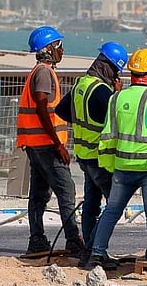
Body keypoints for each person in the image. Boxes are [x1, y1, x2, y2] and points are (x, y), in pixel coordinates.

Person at [84, 49, 147, 270]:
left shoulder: (116, 97)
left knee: (112, 210)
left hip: (122, 166)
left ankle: (97, 253)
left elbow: (108, 135)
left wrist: (109, 166)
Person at [56, 41, 129, 266]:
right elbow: (118, 118)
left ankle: (89, 250)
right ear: (108, 66)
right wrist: (116, 96)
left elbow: (61, 110)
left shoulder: (81, 84)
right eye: (116, 71)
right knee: (114, 206)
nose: (116, 76)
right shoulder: (101, 91)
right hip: (100, 158)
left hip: (83, 155)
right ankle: (94, 250)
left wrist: (82, 122)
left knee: (91, 204)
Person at [17, 26, 83, 256]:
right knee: (66, 190)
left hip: (34, 143)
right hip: (46, 144)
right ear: (50, 48)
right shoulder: (44, 73)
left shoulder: (39, 71)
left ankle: (37, 240)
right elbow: (42, 107)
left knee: (38, 193)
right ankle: (73, 240)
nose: (62, 50)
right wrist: (57, 143)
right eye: (59, 45)